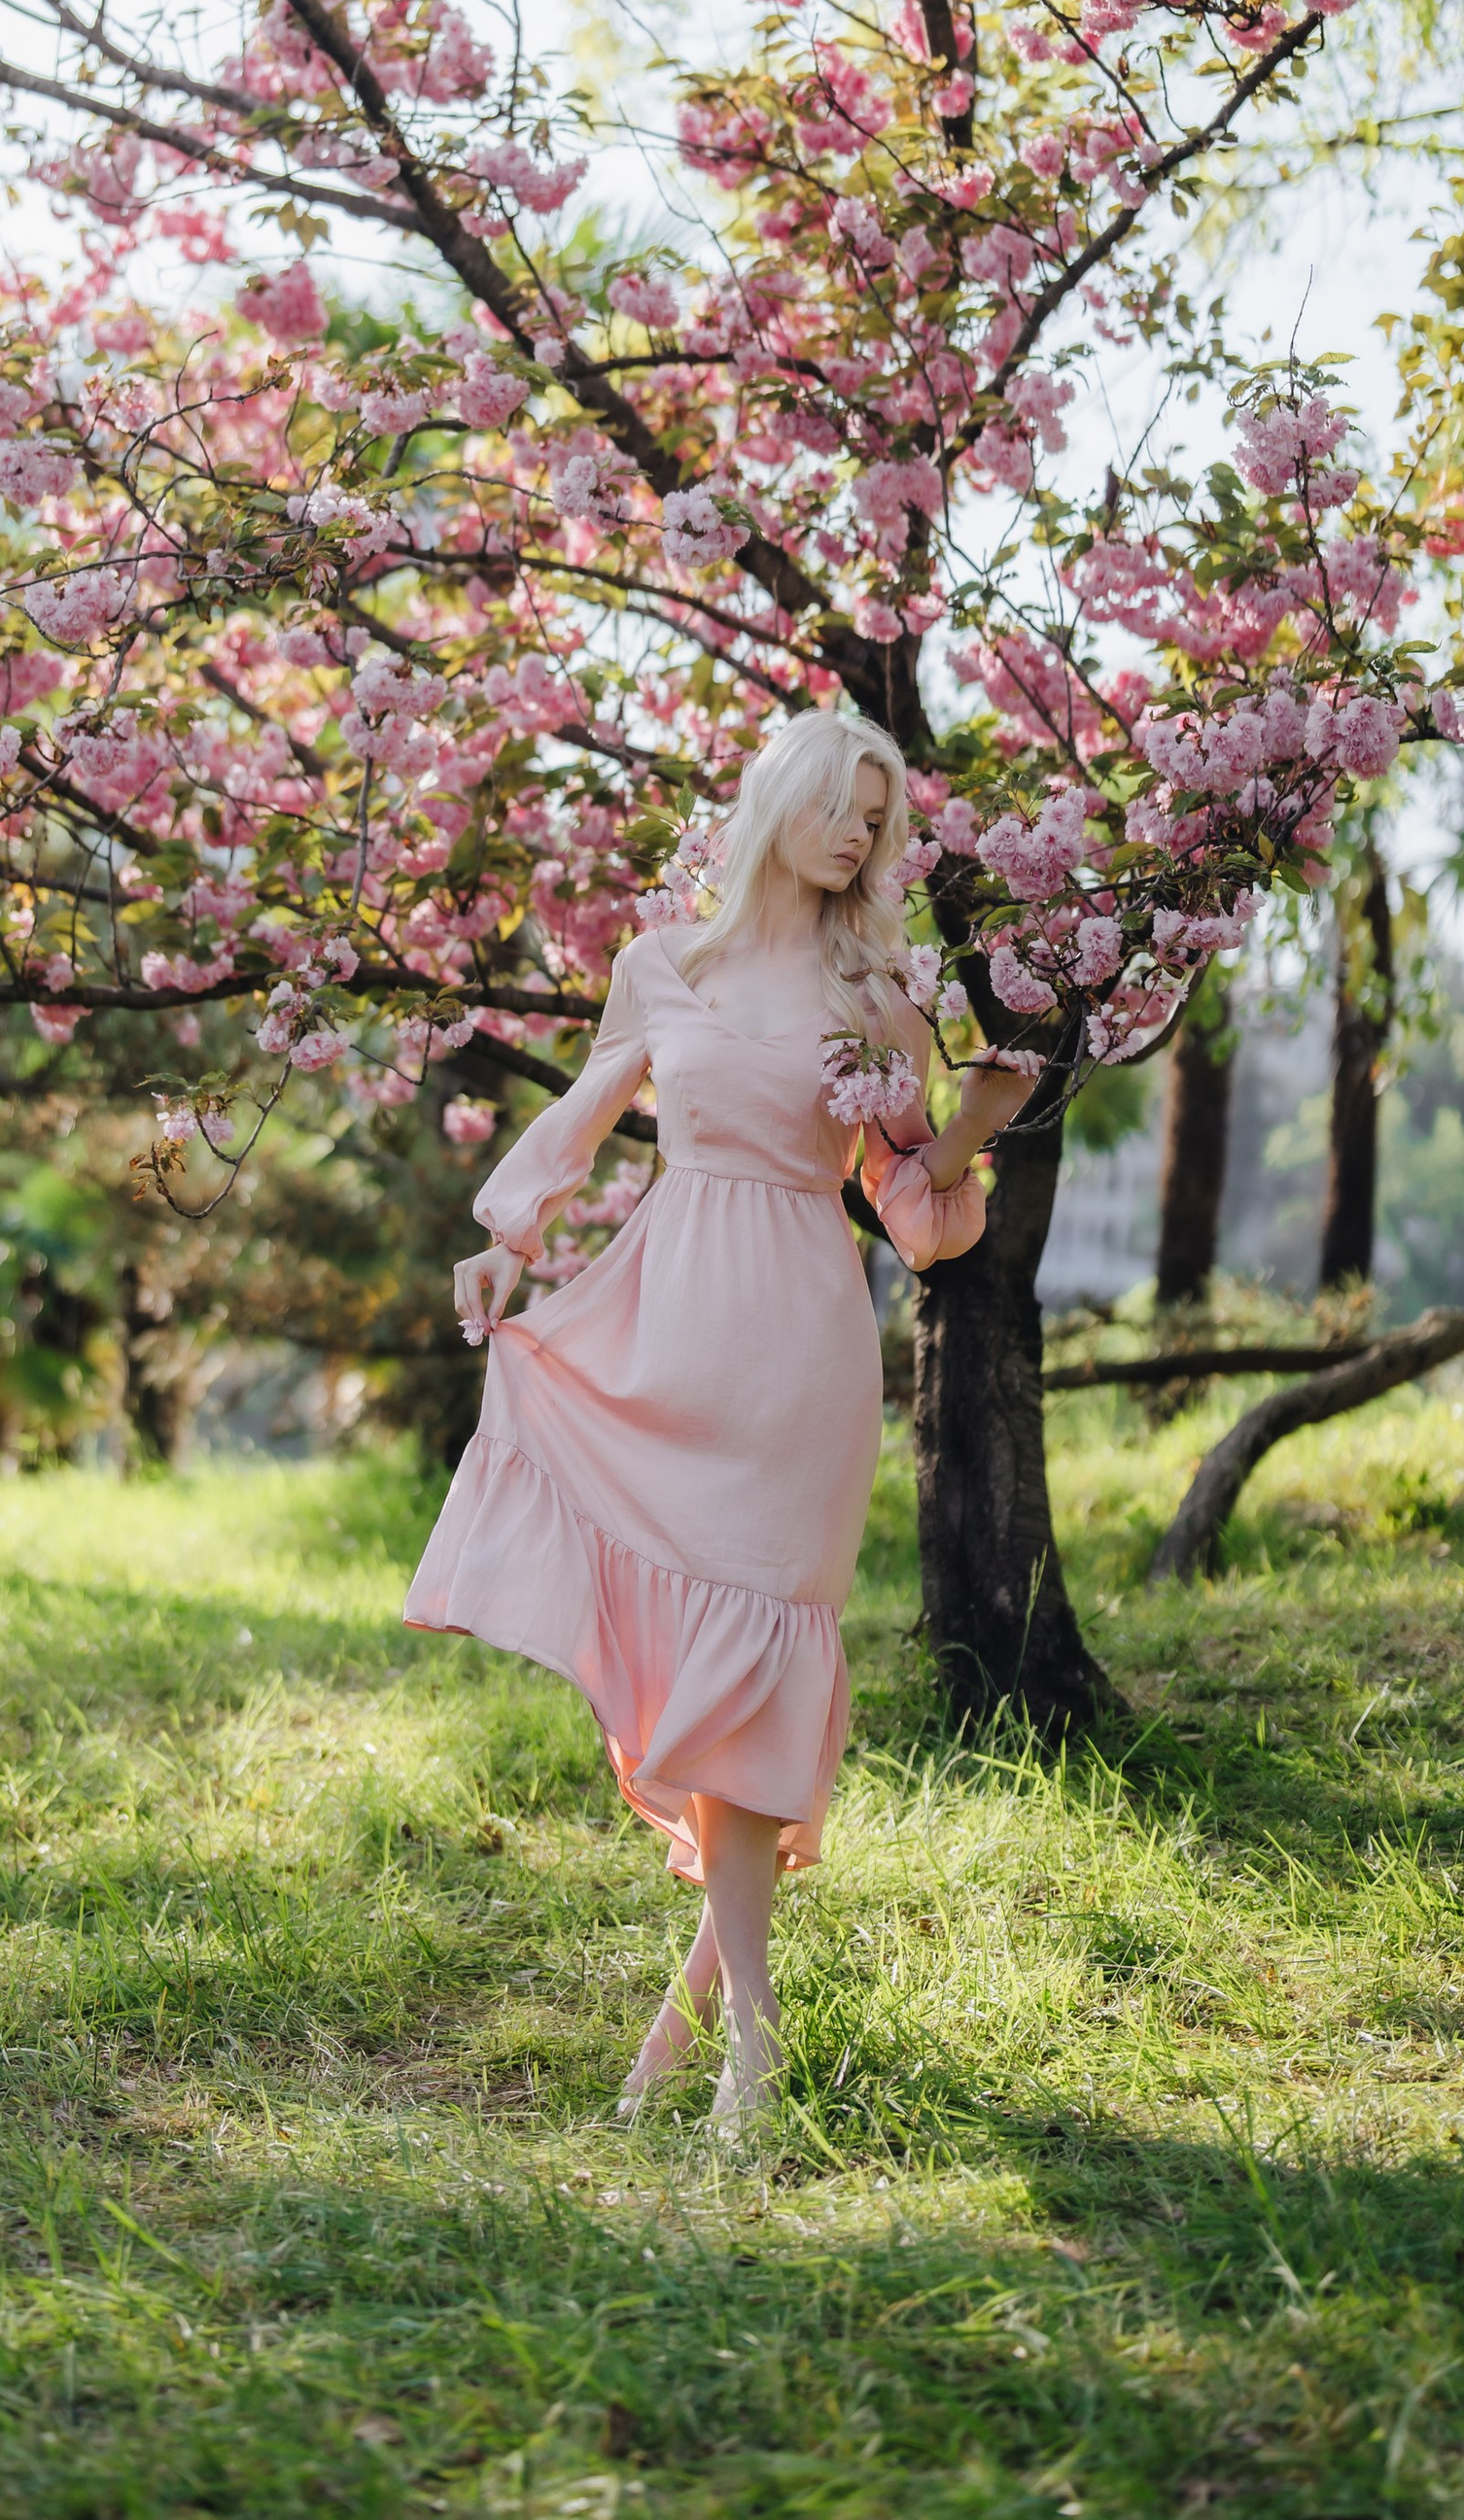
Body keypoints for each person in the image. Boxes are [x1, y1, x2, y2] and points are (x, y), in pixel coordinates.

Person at [402, 708, 1033, 2134]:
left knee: (756, 1667)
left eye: (881, 818)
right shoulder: (661, 962)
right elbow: (581, 1111)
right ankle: (698, 2050)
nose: (863, 836)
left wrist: (972, 1120)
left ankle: (746, 2047)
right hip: (667, 1322)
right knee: (721, 1684)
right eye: (845, 805)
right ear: (783, 801)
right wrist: (508, 1234)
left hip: (800, 1349)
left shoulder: (879, 991)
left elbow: (916, 1216)